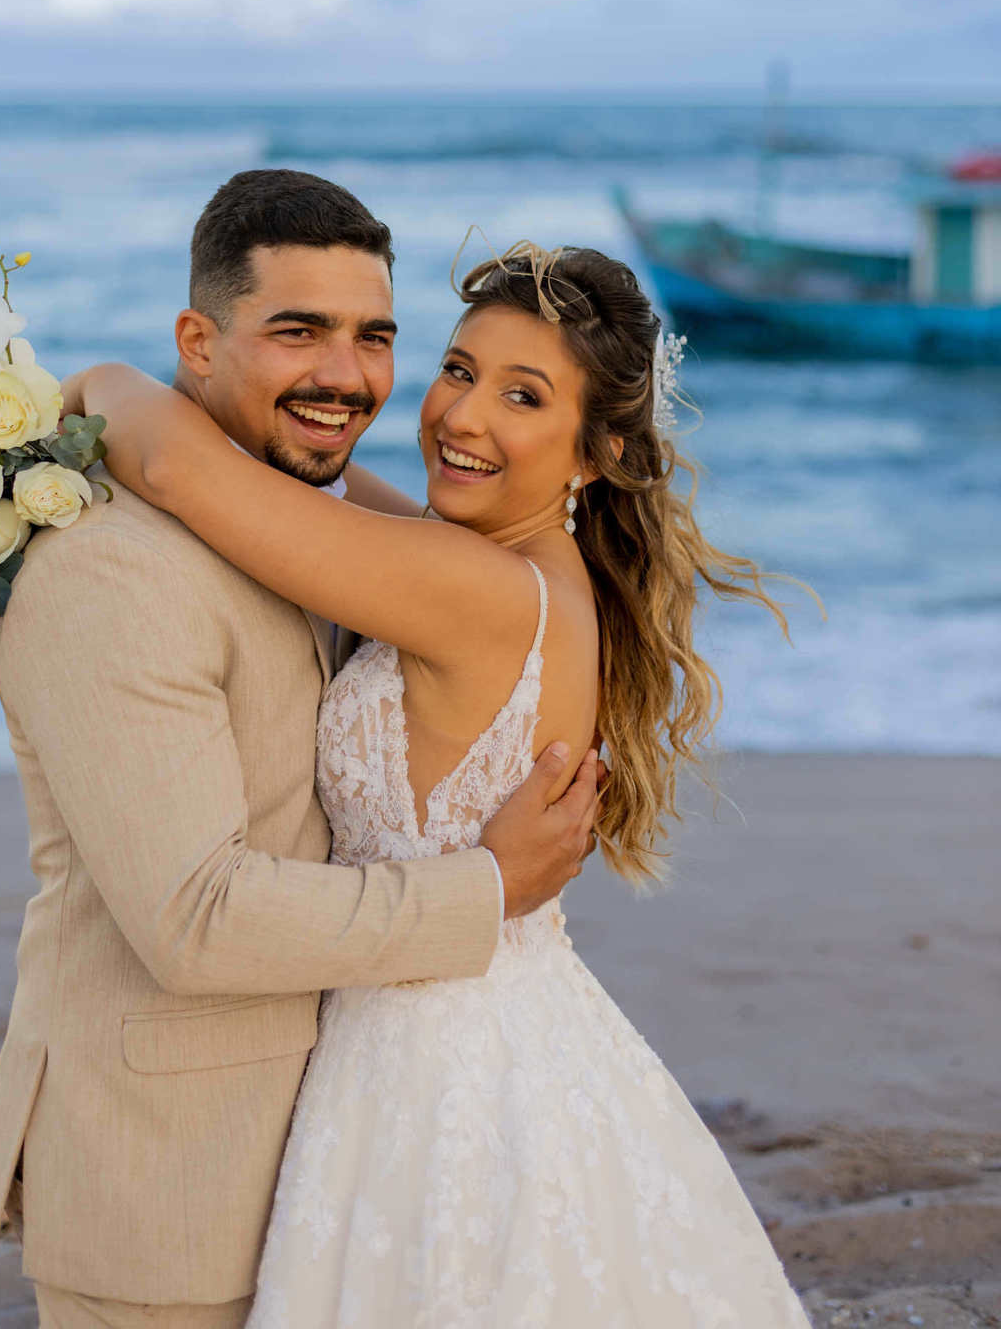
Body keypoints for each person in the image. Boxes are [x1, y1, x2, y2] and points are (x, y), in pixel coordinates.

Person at [69, 231, 811, 1328]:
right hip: (500, 1026)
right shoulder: (502, 569)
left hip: (438, 1066)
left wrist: (94, 381)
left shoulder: (473, 589)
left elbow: (179, 470)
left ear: (598, 451)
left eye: (523, 397)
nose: (461, 418)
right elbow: (287, 483)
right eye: (458, 371)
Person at [0, 170, 599, 1329]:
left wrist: (111, 388)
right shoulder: (115, 570)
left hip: (357, 1150)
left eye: (376, 339)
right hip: (172, 1189)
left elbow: (202, 467)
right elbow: (194, 918)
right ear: (198, 342)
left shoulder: (327, 529)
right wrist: (491, 889)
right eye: (298, 332)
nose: (348, 377)